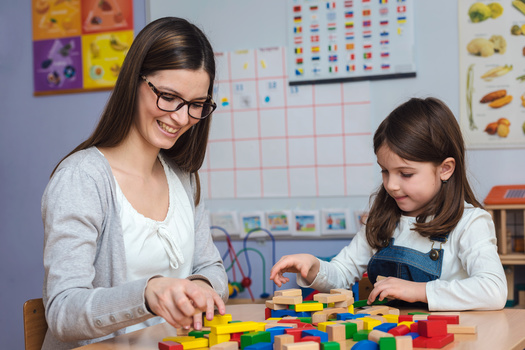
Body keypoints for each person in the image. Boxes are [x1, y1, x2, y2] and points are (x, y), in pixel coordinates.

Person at [41, 17, 228, 350]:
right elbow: (62, 312)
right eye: (169, 97)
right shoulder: (82, 180)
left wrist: (199, 286)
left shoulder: (183, 177)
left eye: (197, 104)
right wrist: (147, 292)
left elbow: (210, 266)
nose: (182, 118)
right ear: (134, 82)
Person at [270, 97, 507, 311]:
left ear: (445, 169)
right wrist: (313, 267)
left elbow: (494, 290)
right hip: (390, 336)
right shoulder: (382, 221)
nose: (391, 185)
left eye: (405, 174)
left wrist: (419, 291)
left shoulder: (470, 222)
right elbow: (342, 274)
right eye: (385, 171)